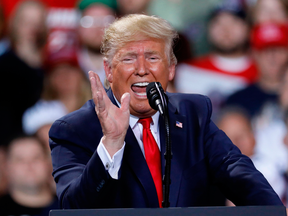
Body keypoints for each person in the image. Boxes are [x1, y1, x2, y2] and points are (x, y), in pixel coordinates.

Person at [49, 14, 284, 209]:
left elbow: (242, 179)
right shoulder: (74, 129)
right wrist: (111, 143)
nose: (142, 70)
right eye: (129, 58)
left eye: (152, 57)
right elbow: (74, 208)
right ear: (109, 71)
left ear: (171, 69)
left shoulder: (193, 114)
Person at [174, 0, 258, 117]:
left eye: (234, 22)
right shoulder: (186, 71)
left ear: (248, 28)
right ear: (208, 29)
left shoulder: (261, 74)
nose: (226, 30)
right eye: (218, 23)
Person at [0, 0, 47, 146]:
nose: (33, 28)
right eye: (26, 22)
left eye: (38, 23)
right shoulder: (5, 66)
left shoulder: (50, 65)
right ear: (15, 24)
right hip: (12, 144)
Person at [0, 136, 59, 215]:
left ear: (48, 164)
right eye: (19, 159)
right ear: (7, 167)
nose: (29, 165)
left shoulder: (72, 207)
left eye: (36, 158)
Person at [77, 0, 117, 86]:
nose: (98, 27)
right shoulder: (68, 65)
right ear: (78, 26)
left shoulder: (125, 66)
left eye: (106, 20)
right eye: (88, 21)